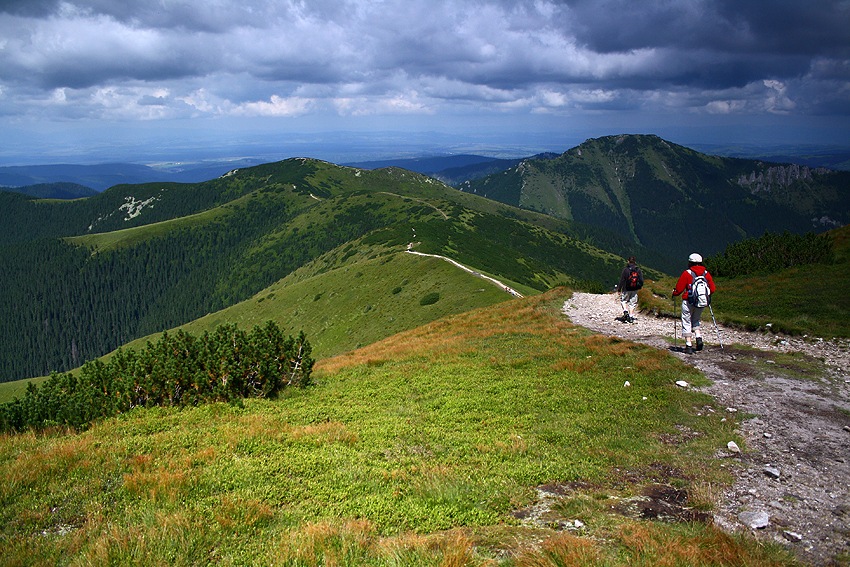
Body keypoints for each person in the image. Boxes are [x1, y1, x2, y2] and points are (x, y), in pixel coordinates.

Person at [672, 253, 716, 354]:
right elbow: (712, 289)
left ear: (690, 262)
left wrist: (674, 293)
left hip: (688, 301)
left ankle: (688, 346)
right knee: (696, 320)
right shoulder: (706, 273)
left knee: (686, 321)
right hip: (701, 302)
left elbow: (679, 289)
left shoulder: (687, 273)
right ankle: (698, 337)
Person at [616, 256, 643, 323]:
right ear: (635, 262)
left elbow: (622, 280)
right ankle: (631, 316)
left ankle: (625, 311)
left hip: (626, 288)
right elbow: (641, 280)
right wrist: (639, 286)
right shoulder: (638, 270)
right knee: (632, 303)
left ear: (628, 261)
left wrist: (619, 289)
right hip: (635, 289)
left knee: (623, 300)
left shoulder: (626, 269)